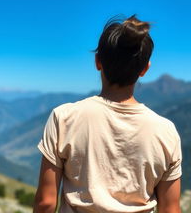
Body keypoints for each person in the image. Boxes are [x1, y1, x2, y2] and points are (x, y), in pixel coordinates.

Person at [33, 15, 182, 213]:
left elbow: (46, 202)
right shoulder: (166, 131)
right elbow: (170, 209)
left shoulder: (64, 117)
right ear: (145, 69)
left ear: (98, 61)